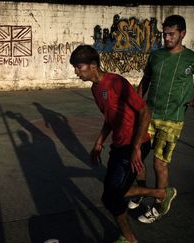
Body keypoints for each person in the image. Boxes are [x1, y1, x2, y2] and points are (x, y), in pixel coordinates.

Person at [70, 45, 177, 243]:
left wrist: (136, 147)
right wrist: (99, 142)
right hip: (119, 145)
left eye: (79, 67)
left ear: (93, 65)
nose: (76, 72)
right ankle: (160, 193)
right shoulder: (96, 89)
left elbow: (144, 111)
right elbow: (110, 119)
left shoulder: (116, 82)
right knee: (112, 194)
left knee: (112, 196)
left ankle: (130, 237)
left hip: (134, 143)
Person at [135, 15, 194, 223]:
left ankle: (159, 204)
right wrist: (135, 103)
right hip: (149, 115)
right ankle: (141, 191)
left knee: (159, 164)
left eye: (171, 34)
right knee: (137, 156)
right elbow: (146, 80)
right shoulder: (156, 56)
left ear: (182, 34)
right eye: (164, 34)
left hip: (173, 120)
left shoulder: (190, 59)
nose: (167, 38)